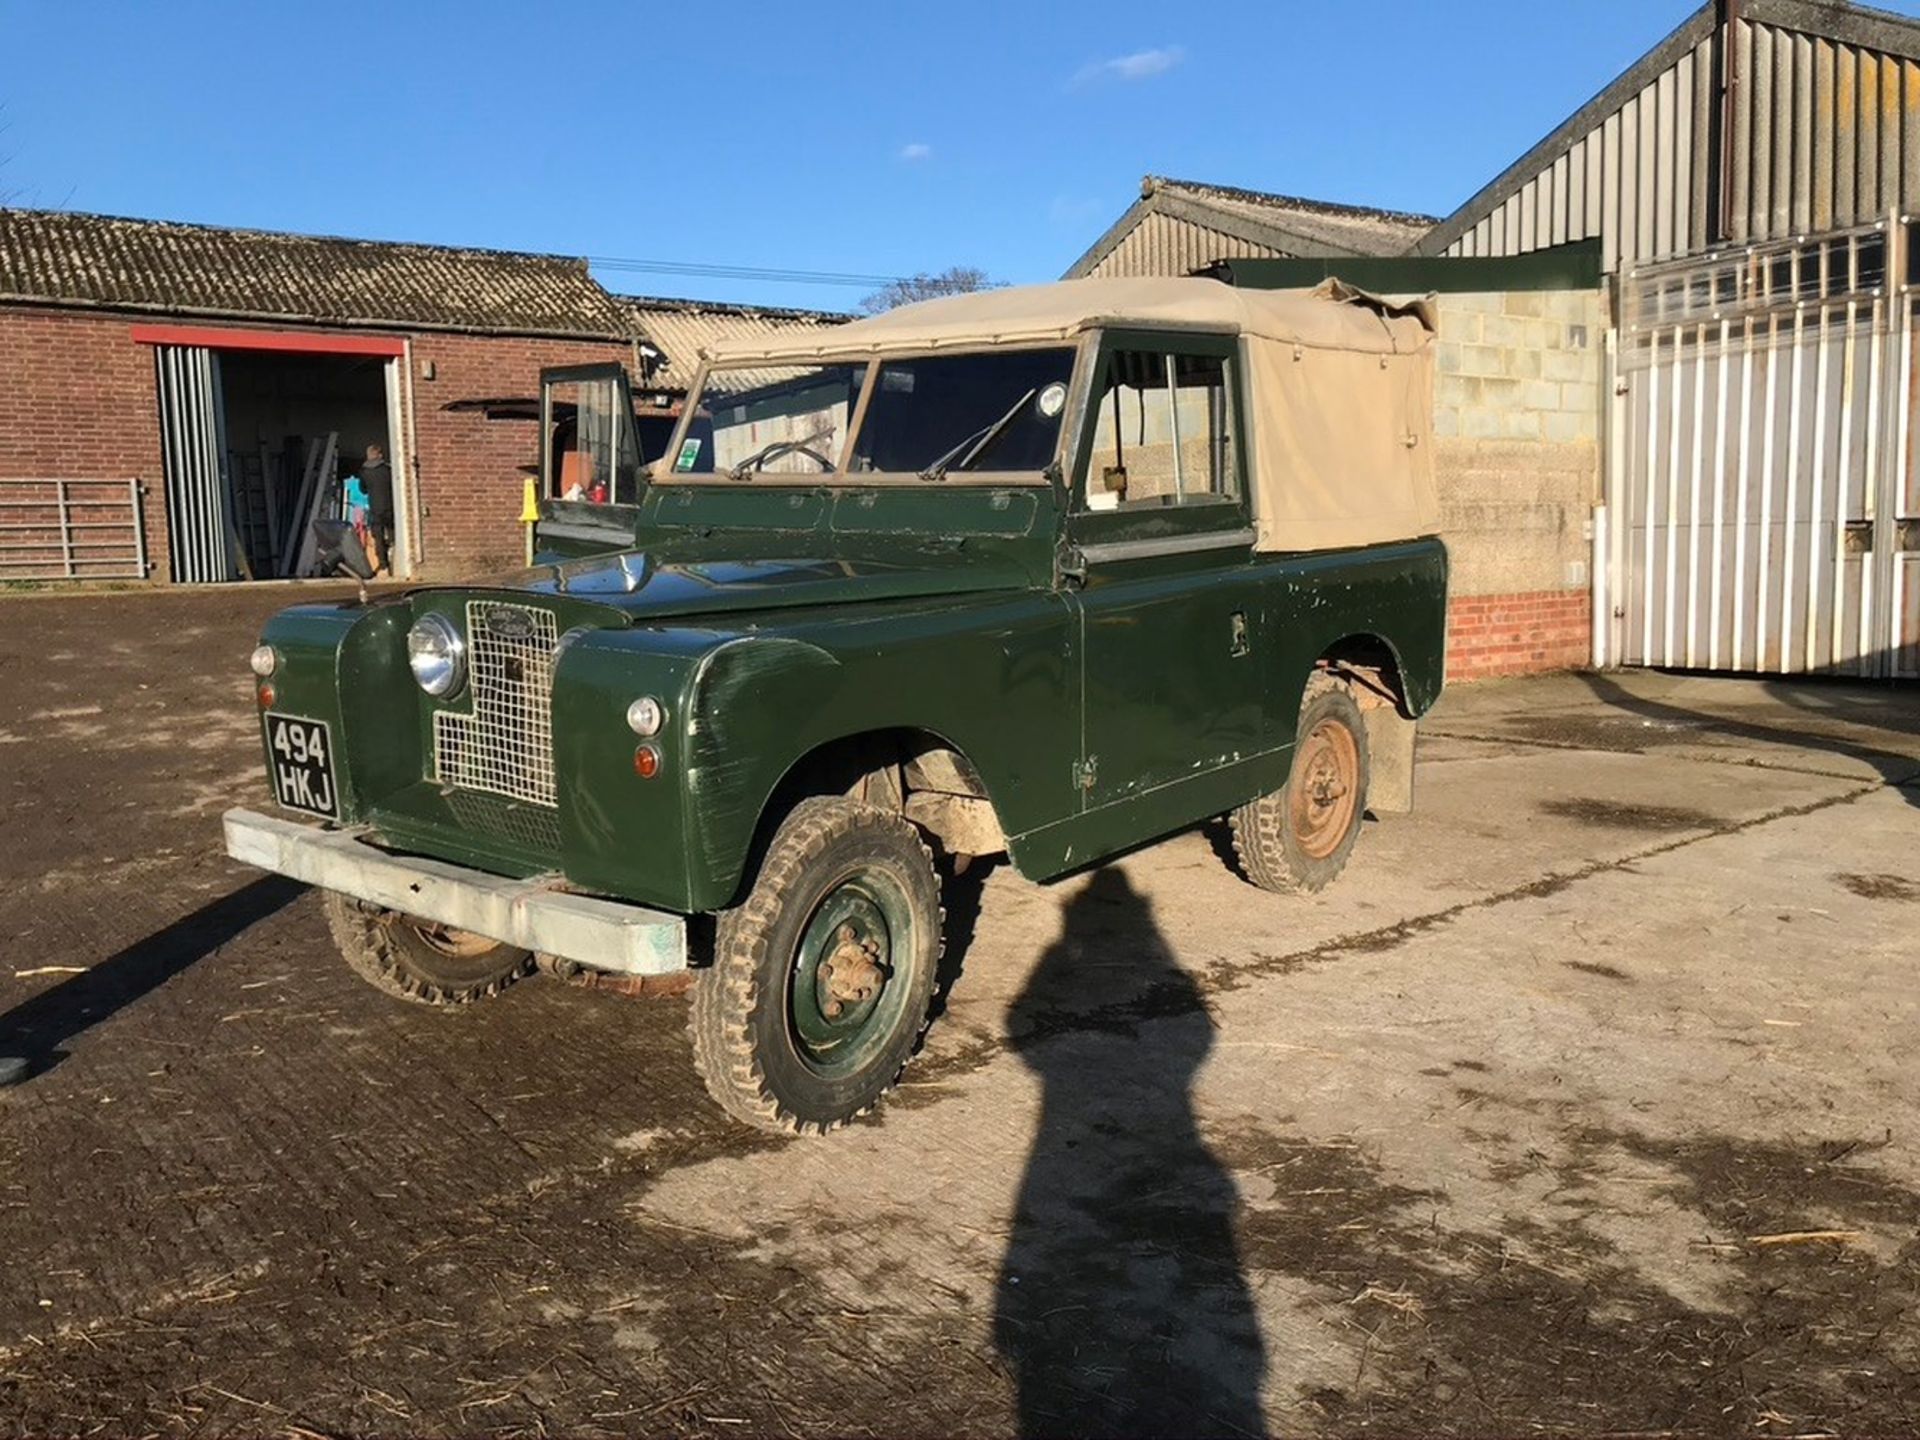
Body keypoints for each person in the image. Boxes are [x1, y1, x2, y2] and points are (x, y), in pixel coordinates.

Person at [358, 443, 395, 575]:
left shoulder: (364, 471)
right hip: (390, 506)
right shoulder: (387, 469)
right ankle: (394, 556)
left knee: (378, 536)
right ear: (379, 455)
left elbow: (362, 490)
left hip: (375, 507)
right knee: (392, 532)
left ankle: (383, 565)